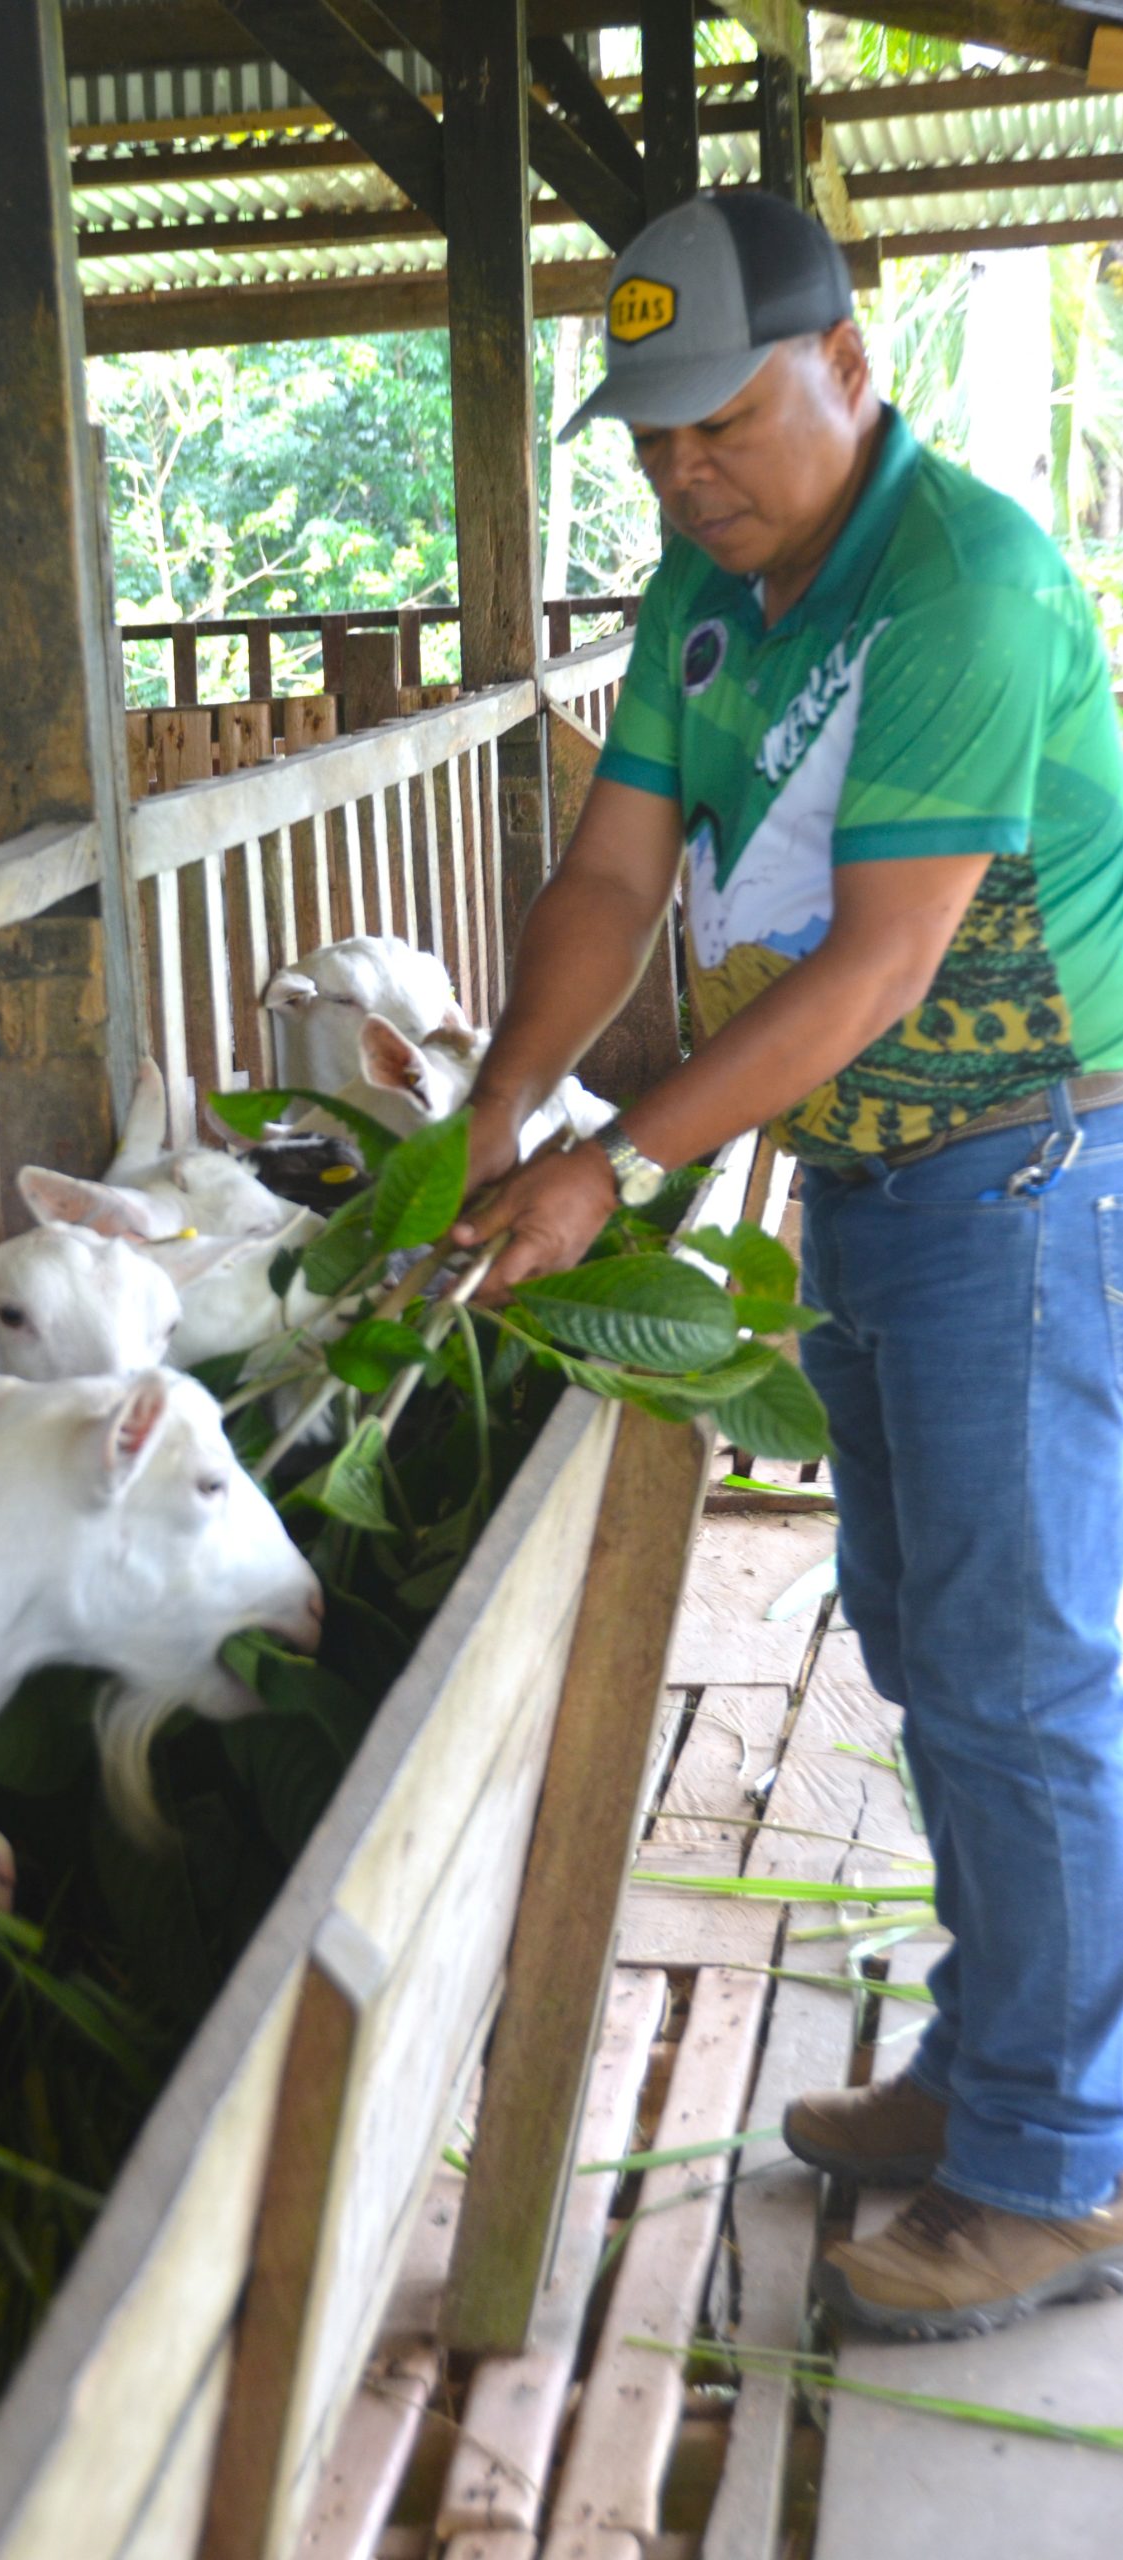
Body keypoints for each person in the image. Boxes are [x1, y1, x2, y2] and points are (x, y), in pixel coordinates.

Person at [457, 189, 1123, 2340]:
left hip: (1027, 1166)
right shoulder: (704, 595)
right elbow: (609, 869)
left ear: (850, 359)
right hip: (870, 1178)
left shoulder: (960, 577)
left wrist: (615, 1167)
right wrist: (497, 1105)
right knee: (929, 1640)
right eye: (647, 441)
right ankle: (991, 2064)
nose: (682, 474)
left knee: (1022, 1661)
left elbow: (880, 958)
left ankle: (1063, 2163)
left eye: (719, 422)